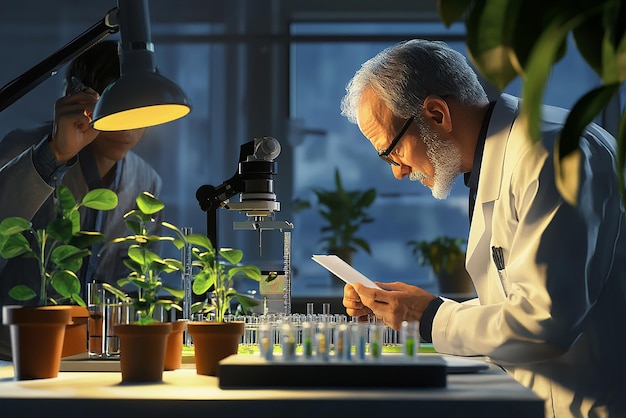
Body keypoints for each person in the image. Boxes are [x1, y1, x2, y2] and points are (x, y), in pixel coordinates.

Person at [340, 39, 626, 418]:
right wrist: (409, 309)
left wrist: (427, 317)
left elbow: (544, 320)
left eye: (391, 150)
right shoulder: (499, 156)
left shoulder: (552, 153)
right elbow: (518, 297)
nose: (398, 170)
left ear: (437, 114)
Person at [0, 40, 162, 359]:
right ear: (81, 99)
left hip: (96, 355)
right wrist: (54, 155)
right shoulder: (24, 148)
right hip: (12, 354)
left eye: (138, 109)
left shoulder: (146, 182)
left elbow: (136, 284)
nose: (127, 128)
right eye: (116, 108)